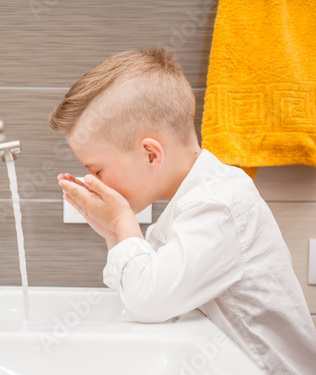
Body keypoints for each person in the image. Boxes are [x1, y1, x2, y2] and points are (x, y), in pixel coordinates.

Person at [48, 47, 316, 374]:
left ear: (151, 155)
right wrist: (113, 232)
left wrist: (121, 220)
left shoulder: (219, 205)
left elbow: (150, 300)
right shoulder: (192, 203)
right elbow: (139, 292)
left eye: (97, 169)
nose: (92, 179)